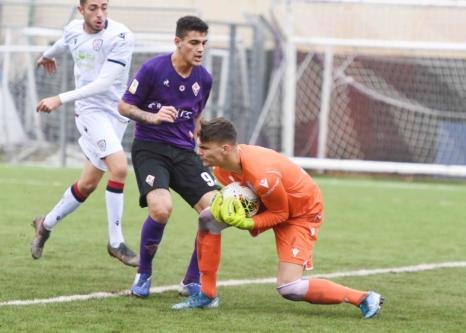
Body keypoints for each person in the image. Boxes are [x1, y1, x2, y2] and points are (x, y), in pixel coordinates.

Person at [172, 117, 384, 319]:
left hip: (302, 212)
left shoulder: (262, 173)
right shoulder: (221, 170)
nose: (199, 152)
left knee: (289, 288)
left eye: (204, 148)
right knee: (208, 219)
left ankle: (364, 298)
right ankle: (207, 295)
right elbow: (253, 197)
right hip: (272, 201)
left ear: (225, 149)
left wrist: (249, 223)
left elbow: (281, 213)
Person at [31, 0, 138, 267]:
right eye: (93, 8)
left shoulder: (121, 36)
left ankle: (45, 224)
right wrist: (47, 54)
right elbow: (63, 43)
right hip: (90, 112)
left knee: (88, 183)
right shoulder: (73, 29)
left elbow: (104, 83)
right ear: (81, 11)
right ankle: (116, 243)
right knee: (120, 168)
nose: (100, 14)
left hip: (116, 113)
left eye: (104, 7)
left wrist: (59, 97)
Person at [118, 15, 218, 298]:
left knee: (216, 213)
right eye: (194, 43)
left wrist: (201, 143)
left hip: (184, 153)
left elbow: (196, 116)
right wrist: (152, 116)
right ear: (178, 42)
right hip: (151, 148)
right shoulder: (153, 69)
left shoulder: (204, 78)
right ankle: (144, 274)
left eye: (204, 43)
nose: (200, 49)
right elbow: (124, 106)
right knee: (161, 208)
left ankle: (191, 280)